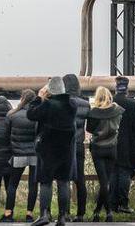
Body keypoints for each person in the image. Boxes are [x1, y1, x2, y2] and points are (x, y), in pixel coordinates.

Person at [26, 77, 76, 226]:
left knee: (46, 182)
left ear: (50, 90)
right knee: (63, 182)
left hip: (47, 149)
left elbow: (31, 114)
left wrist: (39, 98)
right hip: (66, 150)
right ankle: (61, 217)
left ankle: (44, 215)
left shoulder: (47, 104)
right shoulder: (72, 105)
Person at [86, 86, 124, 221]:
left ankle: (107, 212)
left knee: (103, 182)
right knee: (106, 181)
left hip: (98, 149)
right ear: (109, 96)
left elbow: (89, 129)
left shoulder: (94, 112)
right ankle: (98, 211)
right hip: (112, 148)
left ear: (97, 97)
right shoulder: (118, 110)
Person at [3, 89, 39, 222]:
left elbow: (6, 135)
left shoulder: (12, 115)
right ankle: (29, 214)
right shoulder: (36, 116)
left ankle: (8, 213)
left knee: (13, 184)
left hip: (18, 154)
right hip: (34, 154)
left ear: (22, 98)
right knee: (33, 185)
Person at [62, 74, 89, 222]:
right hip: (79, 145)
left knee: (64, 179)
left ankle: (65, 212)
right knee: (80, 180)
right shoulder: (85, 104)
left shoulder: (63, 103)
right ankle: (81, 214)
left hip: (64, 145)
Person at [112, 76, 135, 213]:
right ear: (127, 89)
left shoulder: (110, 102)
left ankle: (112, 205)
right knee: (124, 173)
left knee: (112, 174)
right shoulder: (133, 105)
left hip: (110, 144)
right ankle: (123, 204)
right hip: (127, 145)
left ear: (116, 88)